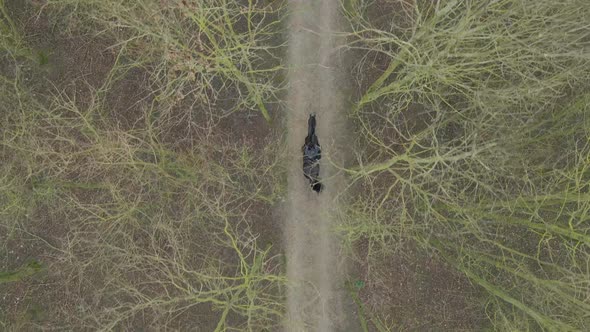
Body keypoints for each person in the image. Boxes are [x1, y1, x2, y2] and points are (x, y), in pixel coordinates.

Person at [302, 114, 322, 193]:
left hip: (311, 152)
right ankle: (312, 117)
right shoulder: (307, 175)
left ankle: (312, 117)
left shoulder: (313, 174)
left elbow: (315, 162)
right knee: (311, 133)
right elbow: (305, 164)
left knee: (312, 133)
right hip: (308, 152)